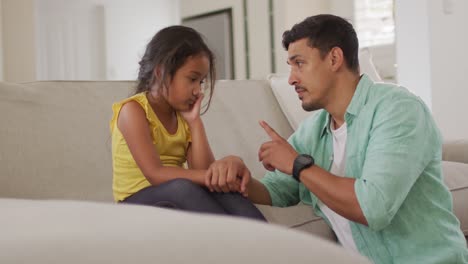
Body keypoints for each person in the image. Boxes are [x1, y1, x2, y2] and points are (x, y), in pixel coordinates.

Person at [206, 15, 468, 263]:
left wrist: (298, 165)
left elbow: (372, 208)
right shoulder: (314, 131)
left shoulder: (398, 109)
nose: (291, 79)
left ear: (334, 58)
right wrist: (241, 178)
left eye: (299, 63)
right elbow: (277, 190)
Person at [110, 25, 265, 221]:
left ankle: (268, 244)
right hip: (135, 201)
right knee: (182, 187)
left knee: (223, 191)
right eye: (192, 79)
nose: (198, 91)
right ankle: (229, 242)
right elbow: (155, 174)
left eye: (200, 82)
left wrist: (195, 122)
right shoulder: (133, 111)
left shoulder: (183, 117)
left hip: (173, 193)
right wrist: (209, 177)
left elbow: (203, 169)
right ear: (161, 72)